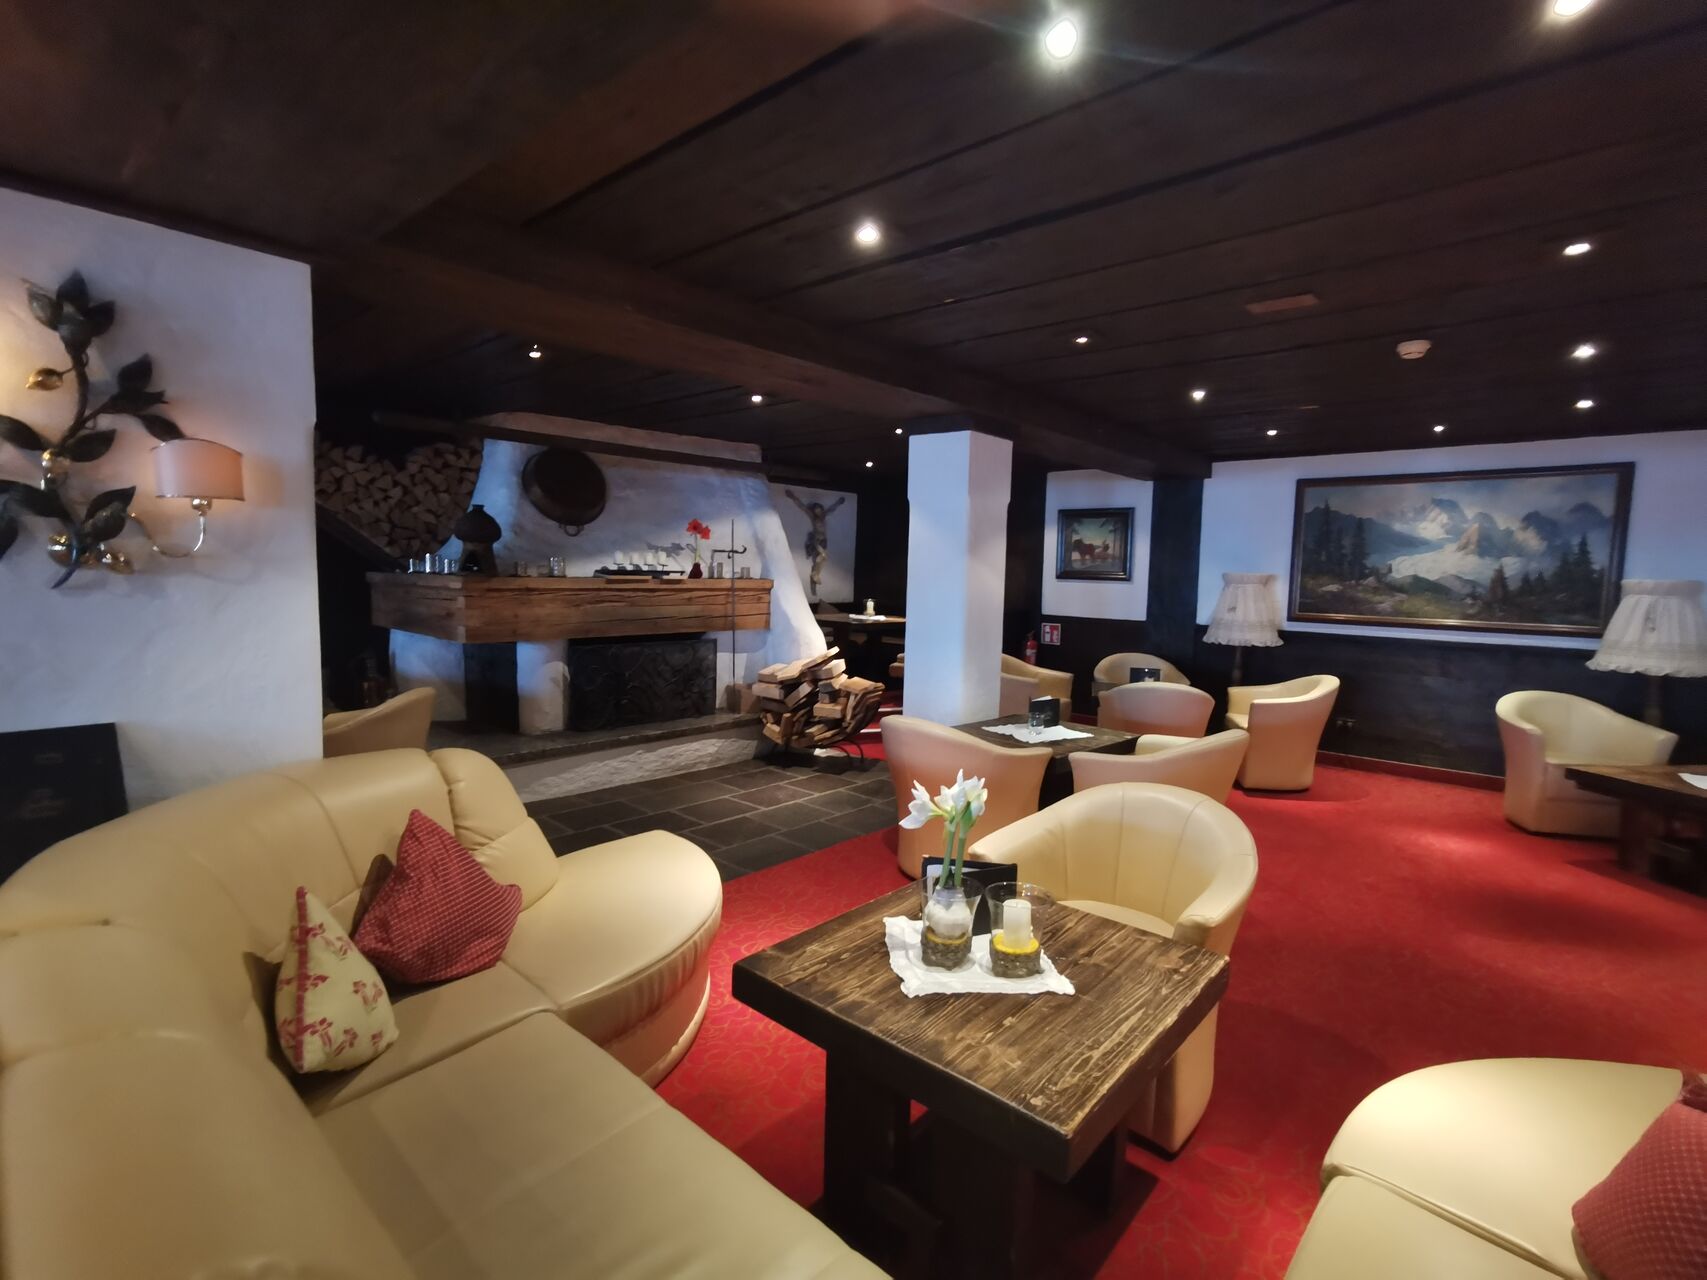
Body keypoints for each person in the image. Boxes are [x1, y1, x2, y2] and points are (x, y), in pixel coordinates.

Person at [783, 489, 845, 599]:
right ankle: (815, 575)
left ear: (821, 509)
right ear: (814, 511)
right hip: (817, 540)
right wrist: (792, 496)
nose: (818, 512)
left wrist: (839, 502)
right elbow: (802, 506)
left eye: (819, 510)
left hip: (824, 540)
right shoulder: (813, 517)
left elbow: (832, 508)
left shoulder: (824, 515)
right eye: (816, 510)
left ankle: (815, 577)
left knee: (821, 560)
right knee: (823, 556)